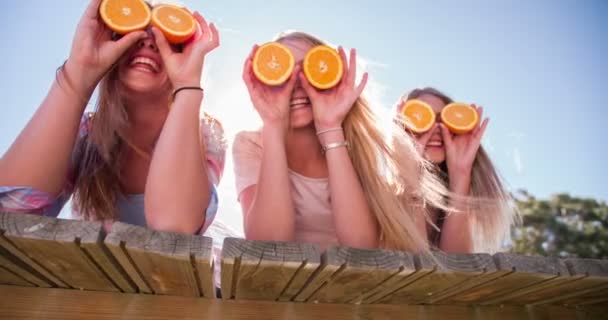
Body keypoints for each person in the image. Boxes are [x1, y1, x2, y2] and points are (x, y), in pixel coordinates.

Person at [0, 0, 226, 235]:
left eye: (167, 38)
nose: (149, 40)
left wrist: (188, 86)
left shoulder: (207, 132)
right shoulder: (88, 133)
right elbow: (11, 213)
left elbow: (175, 226)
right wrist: (77, 77)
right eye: (132, 31)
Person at [233, 31, 447, 252]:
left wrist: (330, 127)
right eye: (283, 71)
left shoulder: (358, 149)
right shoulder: (251, 144)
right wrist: (274, 125)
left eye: (309, 69)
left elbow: (361, 247)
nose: (297, 84)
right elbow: (268, 244)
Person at [397, 87, 517, 252]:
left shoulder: (468, 208)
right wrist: (410, 173)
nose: (437, 128)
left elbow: (456, 268)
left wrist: (461, 173)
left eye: (443, 119)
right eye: (424, 117)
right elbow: (414, 261)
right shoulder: (377, 192)